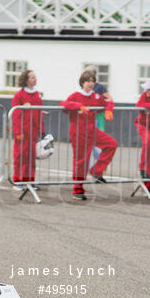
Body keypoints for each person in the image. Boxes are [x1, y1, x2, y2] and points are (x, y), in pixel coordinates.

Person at [60, 69, 116, 200]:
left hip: (92, 130)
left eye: (92, 81)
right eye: (87, 81)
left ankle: (97, 170)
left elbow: (108, 102)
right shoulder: (75, 95)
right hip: (78, 132)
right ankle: (78, 188)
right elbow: (64, 104)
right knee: (81, 160)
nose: (90, 83)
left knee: (112, 144)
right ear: (82, 82)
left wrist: (108, 110)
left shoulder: (96, 96)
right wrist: (78, 106)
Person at [10, 69, 44, 185]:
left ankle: (30, 179)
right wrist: (18, 131)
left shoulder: (37, 94)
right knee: (20, 155)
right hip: (22, 131)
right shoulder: (19, 95)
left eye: (35, 77)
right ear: (26, 80)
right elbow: (16, 114)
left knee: (31, 156)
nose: (35, 79)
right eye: (32, 77)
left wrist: (41, 130)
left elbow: (39, 112)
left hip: (33, 131)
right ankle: (18, 179)